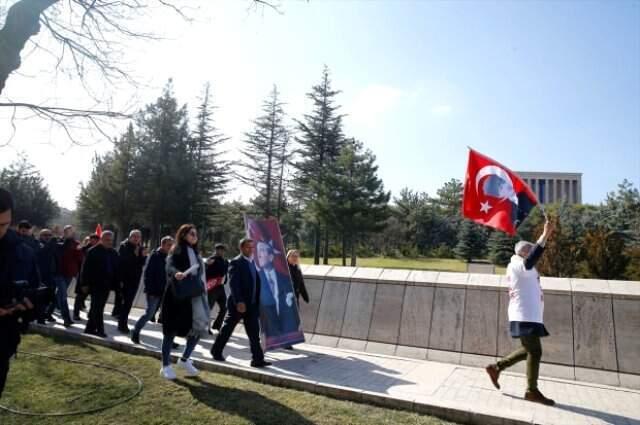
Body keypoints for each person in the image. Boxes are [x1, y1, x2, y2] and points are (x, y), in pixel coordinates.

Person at [485, 219, 555, 406]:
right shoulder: (518, 264)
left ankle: (496, 367)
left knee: (528, 350)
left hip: (528, 315)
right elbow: (532, 259)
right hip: (524, 315)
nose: (532, 254)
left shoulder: (522, 266)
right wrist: (545, 234)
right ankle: (531, 391)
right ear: (523, 252)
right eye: (529, 251)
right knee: (535, 351)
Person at [0, 189, 38, 398]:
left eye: (4, 225)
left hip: (3, 340)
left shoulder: (23, 252)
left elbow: (32, 289)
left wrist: (28, 307)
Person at [210, 238, 271, 368]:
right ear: (242, 248)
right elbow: (234, 284)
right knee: (227, 329)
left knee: (254, 333)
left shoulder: (253, 262)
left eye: (252, 247)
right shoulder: (236, 262)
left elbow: (256, 282)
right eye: (248, 247)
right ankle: (216, 351)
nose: (251, 250)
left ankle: (257, 360)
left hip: (252, 305)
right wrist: (239, 301)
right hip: (239, 305)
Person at [160, 224, 209, 380]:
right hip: (176, 296)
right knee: (170, 332)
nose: (195, 236)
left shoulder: (196, 252)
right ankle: (165, 366)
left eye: (196, 234)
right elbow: (170, 266)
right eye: (191, 234)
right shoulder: (177, 249)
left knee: (197, 329)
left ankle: (184, 359)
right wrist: (177, 273)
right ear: (183, 235)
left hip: (193, 297)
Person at [131, 236, 173, 344]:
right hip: (154, 291)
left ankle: (169, 340)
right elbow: (148, 275)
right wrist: (150, 291)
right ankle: (135, 331)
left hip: (166, 291)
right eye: (169, 245)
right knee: (149, 314)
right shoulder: (155, 256)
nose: (171, 247)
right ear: (162, 244)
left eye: (172, 245)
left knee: (168, 316)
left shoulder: (169, 257)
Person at [256, 240, 300, 338]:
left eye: (262, 250)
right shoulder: (257, 277)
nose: (258, 254)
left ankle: (285, 340)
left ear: (271, 257)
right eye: (258, 251)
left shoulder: (284, 278)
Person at [83, 231, 120, 338]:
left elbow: (116, 268)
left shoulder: (113, 252)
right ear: (101, 239)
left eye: (111, 240)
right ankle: (100, 330)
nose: (109, 242)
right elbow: (85, 269)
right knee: (98, 308)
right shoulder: (93, 251)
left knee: (97, 307)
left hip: (107, 285)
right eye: (107, 240)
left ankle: (89, 329)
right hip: (95, 284)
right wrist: (84, 284)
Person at [115, 230, 147, 334]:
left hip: (135, 280)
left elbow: (142, 263)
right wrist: (136, 255)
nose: (136, 238)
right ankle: (122, 324)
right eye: (134, 236)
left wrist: (142, 256)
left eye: (138, 237)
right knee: (124, 302)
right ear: (130, 237)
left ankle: (122, 323)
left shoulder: (141, 248)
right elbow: (124, 261)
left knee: (128, 303)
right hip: (124, 279)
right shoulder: (124, 246)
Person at [72, 234, 100, 320]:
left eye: (96, 240)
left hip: (95, 278)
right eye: (93, 239)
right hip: (83, 276)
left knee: (93, 299)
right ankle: (76, 314)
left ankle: (90, 314)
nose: (94, 241)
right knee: (80, 296)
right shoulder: (84, 249)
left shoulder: (100, 250)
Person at [35, 229, 59, 324]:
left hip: (52, 275)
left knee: (52, 298)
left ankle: (47, 315)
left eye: (49, 235)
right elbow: (42, 252)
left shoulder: (52, 245)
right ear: (40, 236)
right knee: (42, 298)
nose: (47, 237)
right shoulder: (38, 244)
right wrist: (52, 241)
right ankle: (40, 318)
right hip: (42, 276)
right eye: (45, 235)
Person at [205, 243, 229, 333]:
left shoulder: (225, 261)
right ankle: (206, 327)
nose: (221, 252)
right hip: (212, 287)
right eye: (219, 249)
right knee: (208, 308)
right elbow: (205, 270)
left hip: (220, 287)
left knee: (224, 308)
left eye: (223, 250)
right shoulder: (212, 259)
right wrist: (207, 264)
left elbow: (225, 273)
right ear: (216, 250)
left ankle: (217, 326)